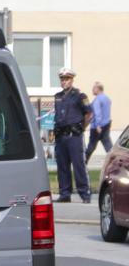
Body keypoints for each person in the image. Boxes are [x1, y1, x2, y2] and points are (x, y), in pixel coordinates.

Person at [53, 67, 92, 203]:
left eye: (67, 79)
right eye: (62, 79)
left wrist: (82, 128)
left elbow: (89, 114)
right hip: (61, 137)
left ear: (72, 79)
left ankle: (85, 194)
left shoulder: (80, 96)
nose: (64, 81)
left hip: (74, 136)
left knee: (78, 165)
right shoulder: (58, 97)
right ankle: (65, 193)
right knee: (62, 166)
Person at [85, 81, 113, 162]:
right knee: (108, 147)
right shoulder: (107, 98)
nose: (92, 90)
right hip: (106, 125)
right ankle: (115, 164)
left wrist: (98, 125)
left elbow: (98, 113)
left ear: (98, 89)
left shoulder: (97, 100)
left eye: (94, 88)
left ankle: (83, 164)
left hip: (96, 127)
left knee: (91, 147)